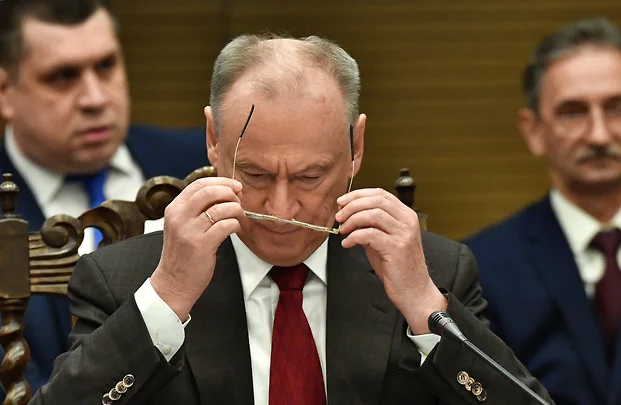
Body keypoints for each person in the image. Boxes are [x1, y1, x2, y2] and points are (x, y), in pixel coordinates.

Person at [30, 33, 552, 405]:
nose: (281, 209)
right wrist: (167, 296)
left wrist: (424, 307)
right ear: (213, 140)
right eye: (255, 174)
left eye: (310, 177)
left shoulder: (436, 272)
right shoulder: (121, 279)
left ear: (356, 147)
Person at [0, 0, 208, 396]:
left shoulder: (201, 167)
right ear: (5, 92)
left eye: (106, 66)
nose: (95, 99)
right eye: (63, 76)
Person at [464, 17, 621, 405]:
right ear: (534, 130)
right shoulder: (480, 268)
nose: (599, 135)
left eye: (617, 108)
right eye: (573, 112)